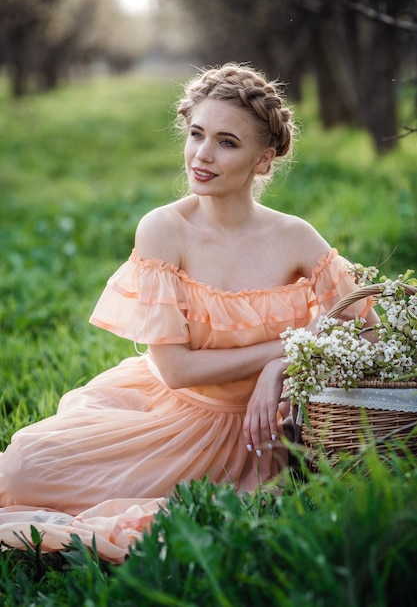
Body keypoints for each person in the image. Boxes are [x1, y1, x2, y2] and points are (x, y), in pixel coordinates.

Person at [0, 63, 377, 563]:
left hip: (253, 434)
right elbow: (176, 370)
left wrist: (282, 369)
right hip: (170, 414)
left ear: (262, 160)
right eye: (197, 134)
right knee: (22, 469)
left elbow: (369, 334)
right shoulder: (163, 229)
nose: (202, 155)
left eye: (227, 142)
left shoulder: (296, 238)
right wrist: (289, 345)